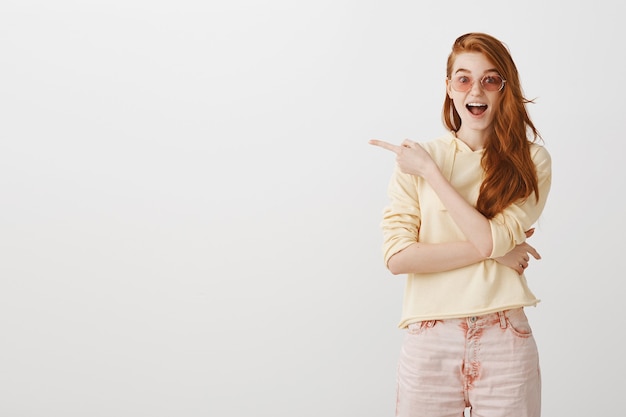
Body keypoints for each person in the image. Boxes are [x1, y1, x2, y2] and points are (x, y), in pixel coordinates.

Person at [368, 32, 551, 417]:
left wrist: (432, 175)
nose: (476, 89)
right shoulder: (415, 158)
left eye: (490, 78)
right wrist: (496, 252)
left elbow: (491, 240)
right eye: (464, 78)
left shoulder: (531, 162)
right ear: (449, 88)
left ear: (505, 88)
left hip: (505, 337)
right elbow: (398, 257)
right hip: (429, 338)